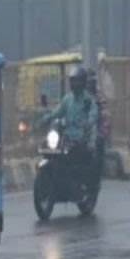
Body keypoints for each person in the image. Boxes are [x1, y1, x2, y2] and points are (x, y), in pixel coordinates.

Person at [45, 66, 98, 199]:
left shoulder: (88, 100)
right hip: (67, 138)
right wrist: (46, 117)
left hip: (82, 139)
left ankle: (80, 187)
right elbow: (58, 112)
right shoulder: (67, 99)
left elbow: (94, 114)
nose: (75, 84)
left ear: (83, 82)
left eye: (77, 81)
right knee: (51, 151)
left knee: (75, 160)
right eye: (73, 81)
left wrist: (88, 122)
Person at [86, 69, 109, 189]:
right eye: (88, 81)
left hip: (96, 130)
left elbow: (104, 116)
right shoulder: (78, 97)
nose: (90, 84)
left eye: (92, 81)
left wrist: (100, 129)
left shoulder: (99, 98)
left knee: (98, 142)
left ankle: (95, 179)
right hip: (81, 130)